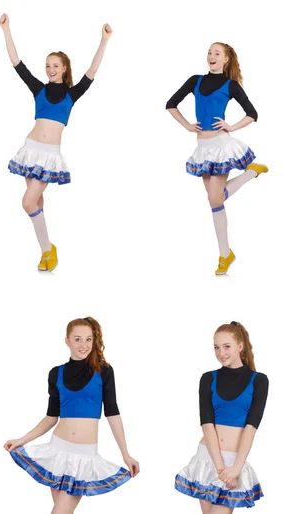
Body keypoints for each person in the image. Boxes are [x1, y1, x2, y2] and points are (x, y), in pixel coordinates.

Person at [0, 13, 112, 271]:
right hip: (30, 150)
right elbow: (17, 63)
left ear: (64, 69)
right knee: (36, 203)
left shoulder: (72, 94)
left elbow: (92, 71)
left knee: (27, 202)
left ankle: (49, 249)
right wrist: (6, 30)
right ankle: (47, 252)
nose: (50, 69)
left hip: (50, 155)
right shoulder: (38, 89)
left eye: (55, 66)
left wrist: (104, 40)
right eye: (47, 65)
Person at [4, 316, 139, 513]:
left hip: (84, 457)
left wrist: (125, 454)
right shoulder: (55, 373)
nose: (84, 345)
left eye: (88, 339)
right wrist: (21, 440)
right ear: (67, 341)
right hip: (57, 451)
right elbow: (51, 417)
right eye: (77, 339)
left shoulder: (104, 372)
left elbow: (113, 414)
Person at [166, 43, 268, 275]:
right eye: (209, 52)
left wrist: (231, 126)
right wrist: (187, 126)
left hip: (221, 145)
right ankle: (226, 254)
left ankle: (224, 255)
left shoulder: (231, 85)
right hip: (202, 147)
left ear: (226, 60)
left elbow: (252, 113)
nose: (211, 56)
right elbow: (170, 104)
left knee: (214, 198)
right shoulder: (195, 80)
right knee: (216, 199)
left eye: (217, 53)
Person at [175, 321, 268, 512]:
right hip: (208, 459)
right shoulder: (208, 378)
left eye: (227, 346)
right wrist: (220, 469)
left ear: (240, 346)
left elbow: (251, 428)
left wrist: (235, 469)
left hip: (234, 461)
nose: (221, 353)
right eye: (216, 347)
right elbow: (207, 425)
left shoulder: (259, 381)